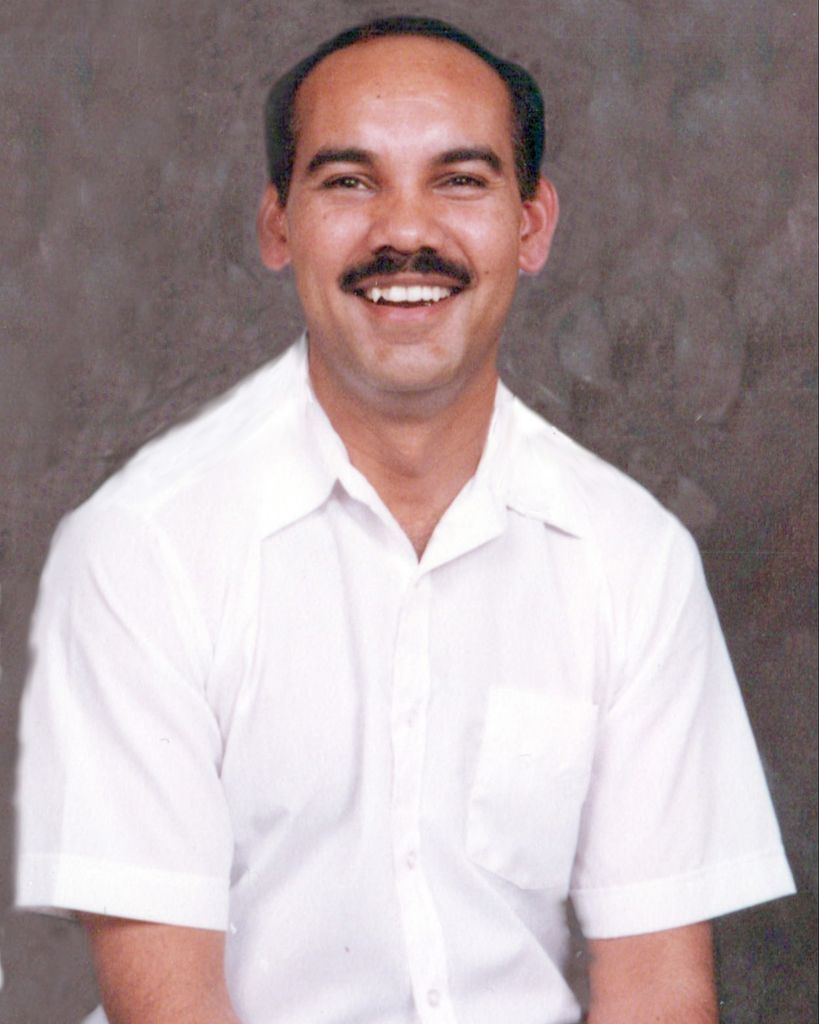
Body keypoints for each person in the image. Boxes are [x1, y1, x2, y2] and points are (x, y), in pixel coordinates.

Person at [15, 16, 795, 1024]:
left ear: (532, 225)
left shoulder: (633, 558)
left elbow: (656, 989)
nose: (405, 229)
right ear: (277, 225)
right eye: (350, 181)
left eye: (459, 180)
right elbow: (166, 1005)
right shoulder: (142, 548)